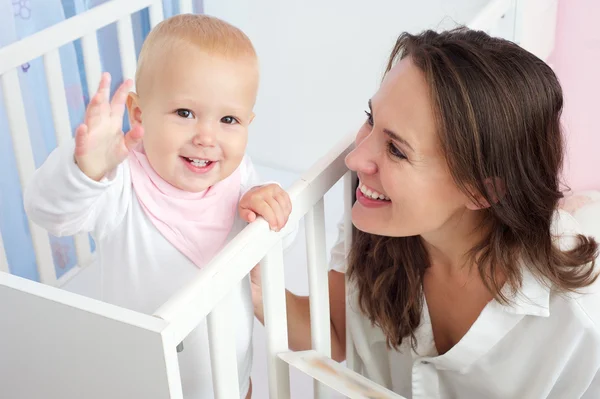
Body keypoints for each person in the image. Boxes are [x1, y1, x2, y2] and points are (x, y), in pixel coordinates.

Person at [251, 28, 600, 398]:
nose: (355, 160)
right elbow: (335, 330)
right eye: (371, 118)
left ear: (481, 189)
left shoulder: (580, 326)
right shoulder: (381, 219)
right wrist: (257, 286)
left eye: (397, 150)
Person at [25, 14, 291, 399]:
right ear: (138, 114)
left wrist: (271, 206)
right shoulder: (120, 183)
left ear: (248, 123)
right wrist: (85, 171)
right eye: (185, 113)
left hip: (232, 375)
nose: (206, 137)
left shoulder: (239, 178)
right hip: (141, 380)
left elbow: (278, 243)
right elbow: (47, 212)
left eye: (229, 119)